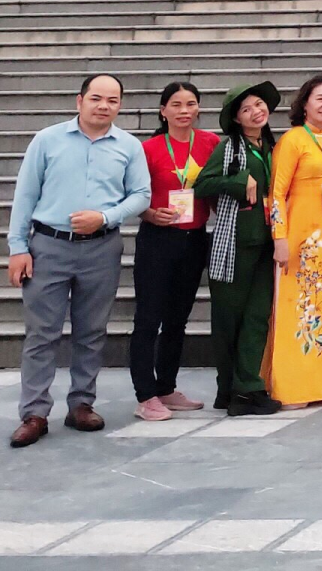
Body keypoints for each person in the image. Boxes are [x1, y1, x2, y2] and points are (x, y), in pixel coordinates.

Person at [7, 74, 151, 447]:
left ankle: (82, 404)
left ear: (120, 105)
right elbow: (25, 195)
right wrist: (17, 247)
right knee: (42, 333)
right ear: (79, 101)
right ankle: (35, 412)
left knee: (92, 331)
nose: (104, 106)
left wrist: (104, 217)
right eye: (96, 98)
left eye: (113, 100)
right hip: (49, 247)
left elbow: (141, 195)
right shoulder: (47, 140)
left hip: (101, 247)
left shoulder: (129, 146)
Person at [129, 80, 220, 420]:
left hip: (194, 238)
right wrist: (150, 213)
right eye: (177, 105)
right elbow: (133, 193)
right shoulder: (148, 148)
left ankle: (166, 386)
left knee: (178, 320)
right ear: (163, 111)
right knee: (148, 318)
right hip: (157, 238)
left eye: (191, 104)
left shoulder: (210, 143)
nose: (185, 111)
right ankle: (145, 394)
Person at [196, 81, 281, 417]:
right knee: (229, 319)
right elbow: (203, 184)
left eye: (259, 105)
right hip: (234, 246)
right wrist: (238, 181)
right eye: (246, 109)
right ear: (236, 119)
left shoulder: (273, 146)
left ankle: (247, 387)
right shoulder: (230, 147)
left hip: (268, 243)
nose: (255, 112)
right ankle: (228, 387)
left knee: (257, 317)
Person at [267, 74, 322, 407]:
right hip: (299, 231)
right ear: (304, 103)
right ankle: (291, 386)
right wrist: (279, 237)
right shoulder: (293, 140)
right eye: (320, 98)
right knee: (295, 306)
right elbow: (275, 193)